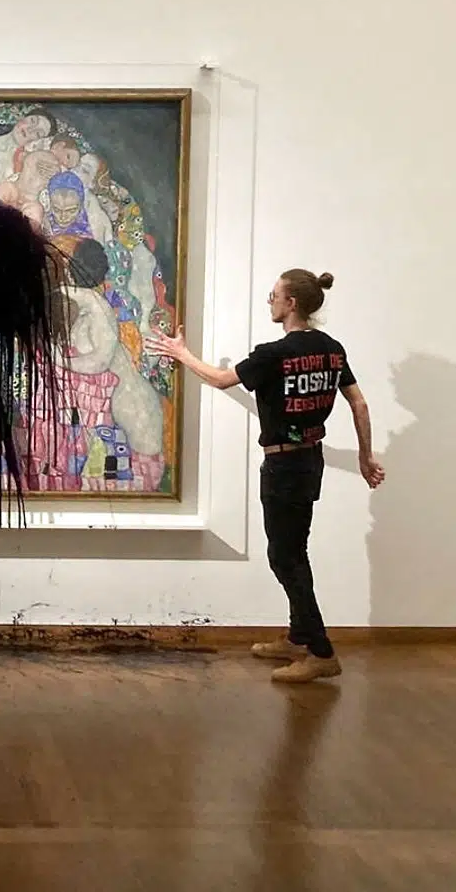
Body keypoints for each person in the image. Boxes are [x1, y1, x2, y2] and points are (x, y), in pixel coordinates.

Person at [144, 268, 385, 683]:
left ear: (291, 303)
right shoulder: (331, 350)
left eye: (274, 295)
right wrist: (365, 458)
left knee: (284, 558)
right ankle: (298, 637)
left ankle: (321, 652)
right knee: (295, 551)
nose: (270, 302)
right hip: (310, 461)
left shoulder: (274, 353)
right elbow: (359, 404)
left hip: (283, 466)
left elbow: (222, 380)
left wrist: (181, 354)